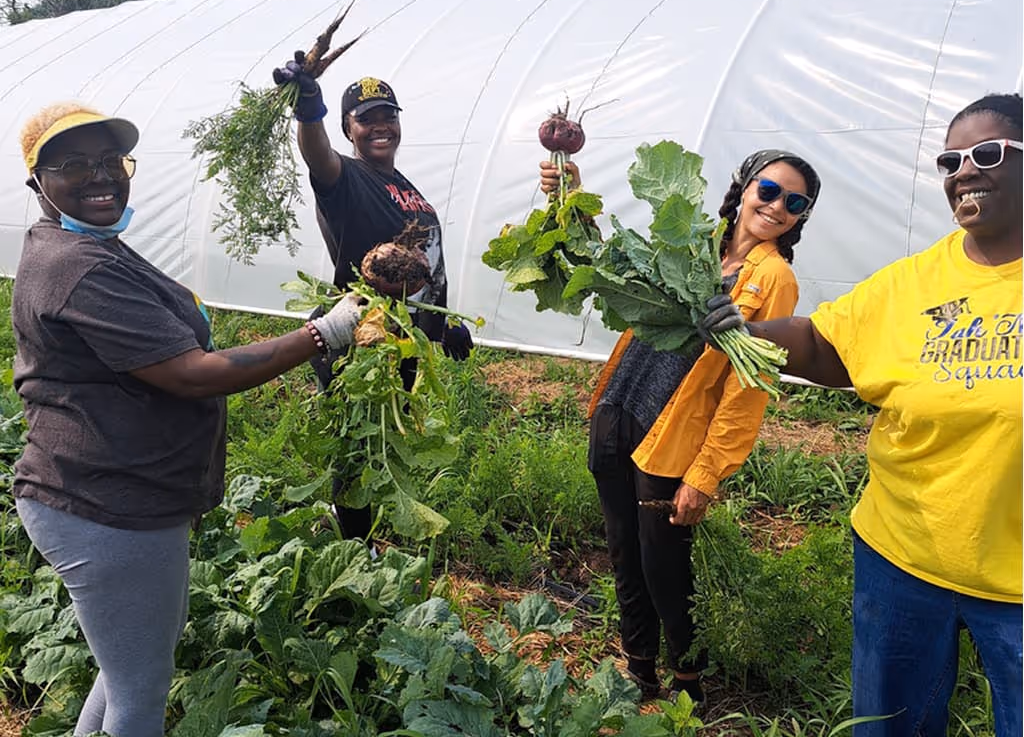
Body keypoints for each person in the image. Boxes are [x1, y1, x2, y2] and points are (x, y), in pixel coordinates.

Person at [12, 102, 367, 737]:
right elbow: (192, 373)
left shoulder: (87, 245)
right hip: (106, 506)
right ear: (38, 179)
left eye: (110, 161)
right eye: (73, 164)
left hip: (113, 496)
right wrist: (322, 334)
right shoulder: (77, 265)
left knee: (125, 668)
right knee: (140, 696)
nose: (101, 177)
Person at [701, 93, 1022, 735]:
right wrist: (749, 326)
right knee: (889, 725)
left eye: (986, 154)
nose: (963, 171)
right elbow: (827, 344)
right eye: (949, 160)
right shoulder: (914, 281)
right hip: (900, 558)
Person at [540, 148, 822, 702]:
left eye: (795, 202)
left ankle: (689, 684)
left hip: (672, 440)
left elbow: (749, 390)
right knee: (624, 558)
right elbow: (613, 268)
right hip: (620, 408)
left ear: (800, 216)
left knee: (664, 571)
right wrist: (570, 199)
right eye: (769, 190)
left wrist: (707, 473)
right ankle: (639, 673)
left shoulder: (774, 277)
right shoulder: (691, 246)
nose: (777, 206)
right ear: (743, 187)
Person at [272, 59, 473, 541]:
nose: (380, 126)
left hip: (401, 339)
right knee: (360, 446)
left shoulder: (403, 186)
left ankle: (364, 540)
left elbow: (420, 266)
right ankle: (353, 550)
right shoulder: (347, 178)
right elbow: (317, 157)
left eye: (388, 115)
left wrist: (440, 325)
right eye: (366, 118)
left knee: (382, 443)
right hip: (361, 339)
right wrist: (308, 111)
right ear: (348, 129)